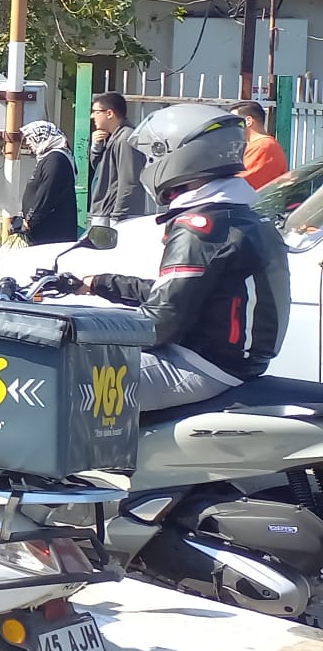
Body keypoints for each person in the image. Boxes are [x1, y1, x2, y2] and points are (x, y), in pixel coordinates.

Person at [85, 104, 290, 411]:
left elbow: (159, 324)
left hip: (201, 365)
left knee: (67, 381)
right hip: (231, 362)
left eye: (154, 156)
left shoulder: (202, 226)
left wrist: (84, 330)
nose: (149, 164)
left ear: (178, 156)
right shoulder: (241, 216)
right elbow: (184, 294)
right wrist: (98, 284)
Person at [13, 120, 78, 245]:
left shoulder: (56, 160)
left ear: (41, 137)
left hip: (52, 233)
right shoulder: (48, 158)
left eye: (29, 138)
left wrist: (30, 220)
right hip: (44, 231)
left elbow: (47, 192)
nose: (27, 143)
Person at [88, 91, 145, 228]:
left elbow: (129, 180)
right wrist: (97, 147)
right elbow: (100, 170)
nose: (92, 116)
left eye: (96, 112)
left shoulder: (125, 138)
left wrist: (119, 215)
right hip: (106, 210)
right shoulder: (112, 137)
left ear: (109, 113)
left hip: (114, 213)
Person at [232, 101, 290, 190]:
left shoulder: (264, 146)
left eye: (233, 120)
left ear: (248, 121)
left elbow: (242, 181)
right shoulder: (259, 144)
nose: (231, 126)